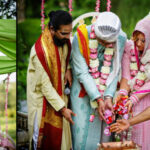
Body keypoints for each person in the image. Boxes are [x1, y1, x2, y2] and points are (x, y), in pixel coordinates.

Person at [70, 11, 127, 150]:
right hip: (82, 89)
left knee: (104, 132)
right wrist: (97, 98)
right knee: (81, 133)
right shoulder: (81, 36)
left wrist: (107, 97)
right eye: (101, 41)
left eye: (107, 42)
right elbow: (82, 72)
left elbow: (115, 70)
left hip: (108, 86)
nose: (103, 44)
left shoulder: (121, 38)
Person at [27, 10, 75, 150]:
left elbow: (65, 58)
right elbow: (45, 87)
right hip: (42, 103)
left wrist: (68, 69)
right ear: (52, 29)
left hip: (59, 97)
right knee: (43, 142)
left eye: (69, 32)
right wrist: (63, 108)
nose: (68, 37)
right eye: (64, 33)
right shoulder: (40, 52)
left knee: (62, 142)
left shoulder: (63, 42)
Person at [115, 14, 150, 150]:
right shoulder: (129, 48)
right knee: (129, 136)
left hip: (146, 100)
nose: (139, 44)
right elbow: (126, 75)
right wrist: (123, 94)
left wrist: (135, 97)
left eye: (143, 40)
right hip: (130, 101)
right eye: (137, 39)